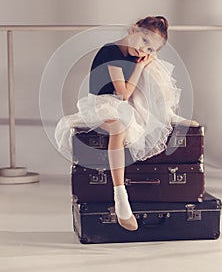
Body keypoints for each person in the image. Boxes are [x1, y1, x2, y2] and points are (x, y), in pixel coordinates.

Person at [55, 15, 199, 232]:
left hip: (125, 103)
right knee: (119, 127)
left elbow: (130, 95)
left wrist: (147, 62)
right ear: (134, 30)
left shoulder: (136, 55)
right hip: (102, 104)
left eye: (150, 48)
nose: (143, 51)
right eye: (144, 42)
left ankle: (166, 114)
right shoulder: (110, 51)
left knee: (153, 66)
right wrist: (140, 67)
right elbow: (122, 94)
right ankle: (120, 196)